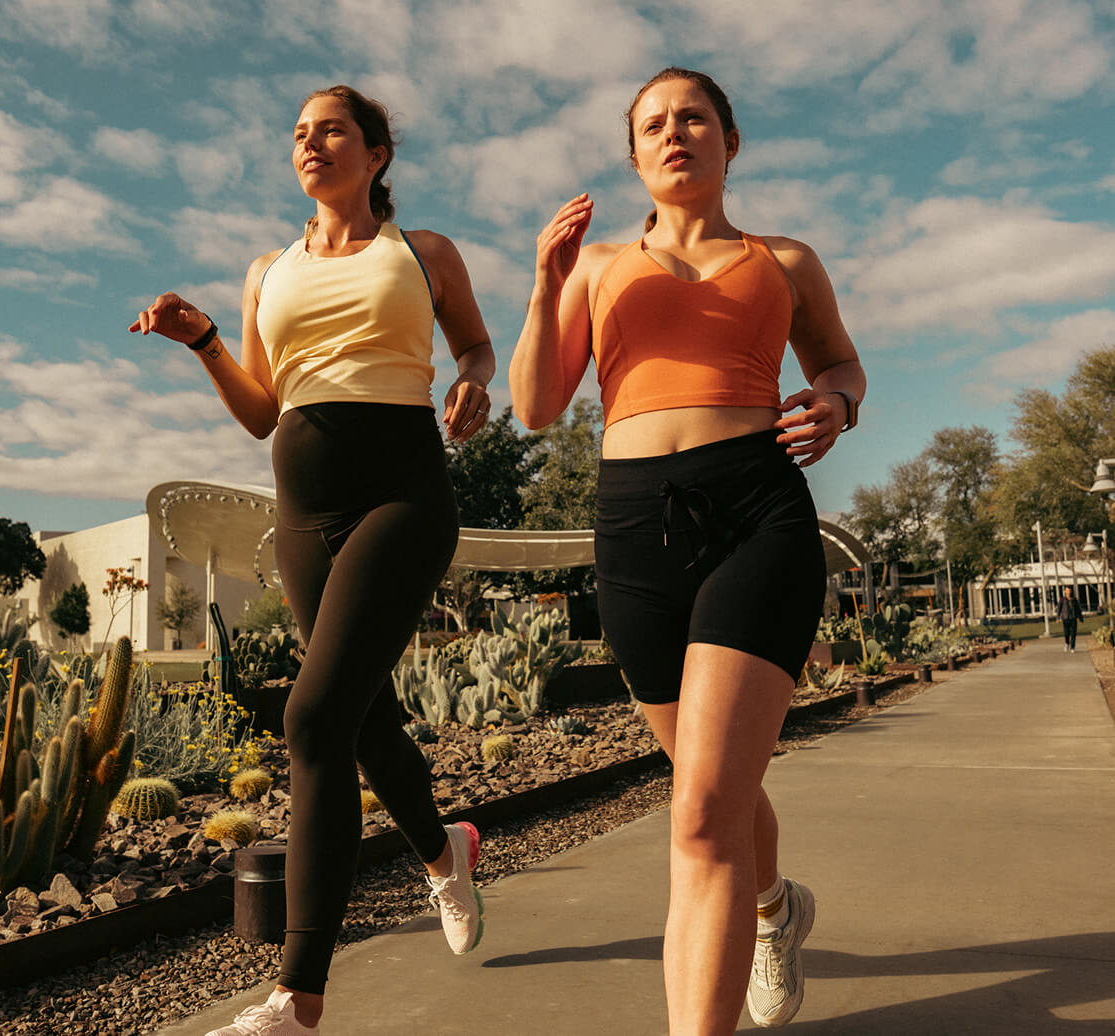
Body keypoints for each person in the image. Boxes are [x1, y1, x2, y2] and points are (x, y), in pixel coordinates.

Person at [131, 86, 496, 1036]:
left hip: (404, 498)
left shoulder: (423, 253)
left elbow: (478, 349)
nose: (310, 144)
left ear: (376, 153)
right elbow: (262, 412)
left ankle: (297, 997)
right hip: (305, 514)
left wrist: (471, 384)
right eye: (298, 133)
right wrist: (207, 340)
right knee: (362, 723)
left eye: (330, 129)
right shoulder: (269, 269)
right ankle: (442, 849)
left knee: (312, 715)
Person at [510, 67, 866, 1033]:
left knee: (702, 815)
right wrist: (545, 287)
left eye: (694, 118)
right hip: (634, 528)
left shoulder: (783, 260)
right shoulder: (594, 267)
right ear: (634, 155)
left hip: (757, 513)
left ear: (729, 141)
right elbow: (538, 405)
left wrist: (835, 402)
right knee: (710, 786)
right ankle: (772, 908)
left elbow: (839, 359)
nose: (676, 134)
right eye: (654, 124)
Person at [1057, 587, 1081, 652]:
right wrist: (1058, 617)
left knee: (1073, 634)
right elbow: (1059, 609)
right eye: (1067, 590)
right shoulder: (1062, 599)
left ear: (1071, 591)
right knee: (1066, 633)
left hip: (1073, 618)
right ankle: (1067, 643)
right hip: (1065, 618)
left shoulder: (1074, 599)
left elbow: (1078, 609)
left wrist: (1080, 618)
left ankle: (1072, 647)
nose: (1068, 592)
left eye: (1069, 590)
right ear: (1065, 591)